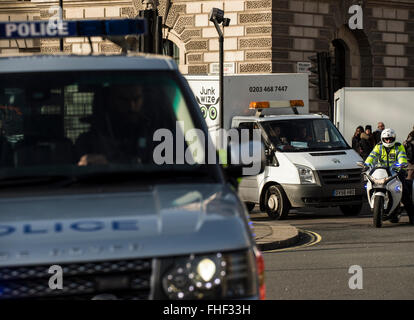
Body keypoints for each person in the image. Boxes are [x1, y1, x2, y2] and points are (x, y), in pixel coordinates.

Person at [75, 85, 163, 166]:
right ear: (110, 101)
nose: (131, 106)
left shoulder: (156, 134)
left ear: (143, 99)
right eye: (124, 100)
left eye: (136, 99)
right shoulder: (88, 141)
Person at [365, 128, 414, 224]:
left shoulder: (398, 146)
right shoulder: (378, 147)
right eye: (386, 139)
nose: (388, 141)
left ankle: (412, 216)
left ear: (393, 139)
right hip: (381, 172)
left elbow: (402, 157)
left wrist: (402, 165)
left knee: (404, 191)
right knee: (370, 183)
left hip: (395, 172)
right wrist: (366, 165)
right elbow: (372, 156)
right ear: (382, 139)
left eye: (390, 139)